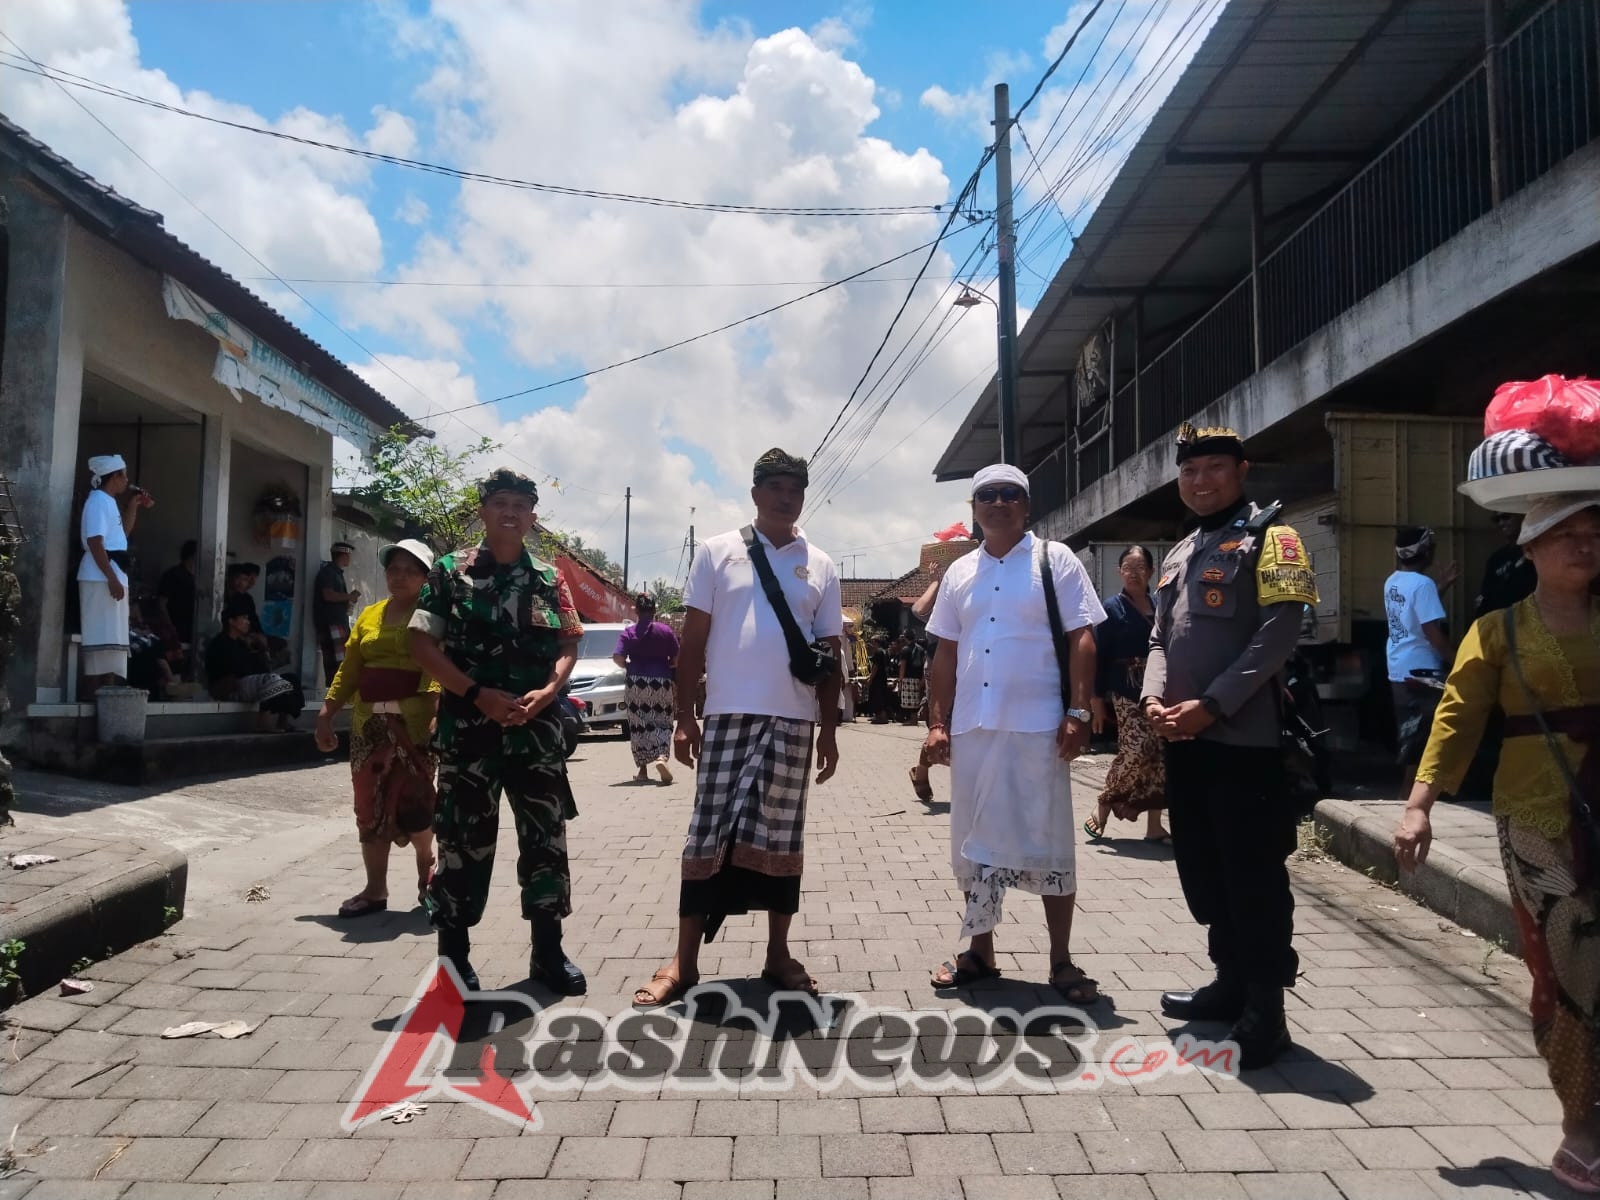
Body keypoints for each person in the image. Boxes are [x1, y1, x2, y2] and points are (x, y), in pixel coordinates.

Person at [1394, 496, 1600, 1192]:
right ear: (1532, 549)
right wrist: (1419, 807)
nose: (1584, 547)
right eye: (1567, 536)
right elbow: (1454, 721)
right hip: (1537, 821)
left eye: (1595, 535)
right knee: (1569, 971)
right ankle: (1582, 1125)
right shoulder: (1496, 629)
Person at [632, 448, 842, 1008]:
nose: (785, 495)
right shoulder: (717, 552)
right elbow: (693, 642)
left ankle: (777, 954)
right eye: (774, 485)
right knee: (707, 833)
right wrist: (683, 717)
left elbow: (830, 651)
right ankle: (684, 960)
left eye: (794, 487)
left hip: (795, 720)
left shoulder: (819, 563)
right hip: (726, 717)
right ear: (755, 493)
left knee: (781, 837)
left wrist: (831, 729)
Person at [1143, 423, 1319, 1069]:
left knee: (1252, 874)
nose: (1200, 481)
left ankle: (1266, 1010)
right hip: (1183, 738)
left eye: (1214, 467)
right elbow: (1160, 637)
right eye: (1190, 471)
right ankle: (1228, 984)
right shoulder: (1182, 549)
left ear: (1241, 471)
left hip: (1245, 740)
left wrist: (1212, 705)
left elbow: (1282, 628)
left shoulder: (1276, 538)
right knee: (1205, 867)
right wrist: (1154, 700)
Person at [923, 464, 1105, 1002]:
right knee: (973, 841)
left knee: (1049, 842)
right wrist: (937, 722)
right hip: (973, 727)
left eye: (1009, 495)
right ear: (973, 508)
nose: (997, 503)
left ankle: (1061, 960)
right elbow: (945, 653)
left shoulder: (1055, 560)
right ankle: (980, 952)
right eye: (986, 496)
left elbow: (1083, 638)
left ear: (1027, 506)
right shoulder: (959, 574)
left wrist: (1077, 712)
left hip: (1038, 726)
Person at [408, 469, 586, 995]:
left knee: (546, 842)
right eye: (500, 502)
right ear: (483, 511)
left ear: (533, 516)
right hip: (469, 733)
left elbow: (569, 644)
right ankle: (453, 959)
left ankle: (548, 954)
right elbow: (423, 646)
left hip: (536, 734)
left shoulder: (551, 579)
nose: (511, 512)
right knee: (462, 843)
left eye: (521, 505)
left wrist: (549, 692)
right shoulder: (448, 571)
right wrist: (474, 693)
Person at [316, 539, 441, 919]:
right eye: (393, 569)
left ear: (425, 578)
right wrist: (327, 711)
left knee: (415, 804)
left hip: (414, 727)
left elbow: (436, 667)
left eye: (409, 570)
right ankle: (375, 890)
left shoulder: (432, 616)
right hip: (368, 726)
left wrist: (435, 713)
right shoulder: (369, 616)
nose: (399, 576)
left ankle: (427, 868)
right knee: (367, 807)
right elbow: (350, 669)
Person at [1084, 546, 1170, 844]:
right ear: (1119, 572)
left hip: (1160, 689)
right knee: (1137, 749)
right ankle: (1106, 799)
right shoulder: (1111, 608)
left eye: (1140, 567)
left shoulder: (1162, 605)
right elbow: (1098, 656)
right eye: (1128, 568)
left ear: (1151, 571)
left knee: (1160, 753)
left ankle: (1155, 826)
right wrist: (1096, 699)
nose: (1134, 573)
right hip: (1125, 689)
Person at [1384, 526, 1458, 790]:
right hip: (1423, 672)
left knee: (1409, 733)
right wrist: (1459, 662)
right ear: (1424, 551)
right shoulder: (1422, 584)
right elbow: (1432, 633)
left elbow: (1412, 610)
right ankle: (1410, 797)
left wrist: (1442, 587)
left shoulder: (1393, 581)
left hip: (1399, 668)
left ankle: (1406, 796)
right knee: (1424, 738)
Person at [77, 454, 153, 696]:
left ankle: (105, 702)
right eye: (124, 475)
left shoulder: (109, 502)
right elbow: (95, 542)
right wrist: (111, 577)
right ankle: (90, 701)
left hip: (112, 575)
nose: (127, 480)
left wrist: (134, 505)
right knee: (100, 646)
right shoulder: (98, 501)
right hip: (100, 576)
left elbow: (122, 536)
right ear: (115, 476)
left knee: (111, 648)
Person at [205, 595, 305, 731]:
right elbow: (230, 671)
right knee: (271, 680)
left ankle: (283, 721)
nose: (248, 622)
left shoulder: (244, 643)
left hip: (251, 682)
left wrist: (262, 649)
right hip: (231, 686)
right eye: (244, 618)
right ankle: (263, 722)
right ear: (232, 622)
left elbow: (262, 668)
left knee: (291, 680)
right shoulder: (220, 643)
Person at [613, 593, 680, 784]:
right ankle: (661, 758)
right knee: (663, 720)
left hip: (636, 683)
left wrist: (630, 667)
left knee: (638, 724)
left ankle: (643, 770)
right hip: (661, 681)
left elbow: (618, 658)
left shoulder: (628, 633)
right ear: (654, 610)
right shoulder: (666, 631)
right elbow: (676, 660)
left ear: (636, 610)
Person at [908, 569, 946, 802]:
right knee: (940, 725)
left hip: (973, 665)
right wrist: (937, 581)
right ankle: (921, 770)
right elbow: (918, 609)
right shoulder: (937, 603)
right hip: (939, 665)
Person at [315, 542, 362, 688]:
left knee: (336, 661)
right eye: (348, 555)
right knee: (338, 663)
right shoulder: (329, 573)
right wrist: (348, 597)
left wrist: (348, 599)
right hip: (332, 623)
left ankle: (335, 693)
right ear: (343, 555)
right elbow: (327, 595)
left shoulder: (335, 573)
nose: (350, 559)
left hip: (336, 621)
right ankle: (337, 693)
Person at [1477, 512, 1539, 617]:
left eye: (1506, 517)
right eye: (1497, 520)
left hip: (1530, 620)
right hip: (1503, 624)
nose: (1501, 523)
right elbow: (1485, 597)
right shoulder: (1496, 559)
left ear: (1522, 517)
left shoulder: (1537, 551)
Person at [157, 539, 198, 647]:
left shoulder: (198, 578)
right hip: (176, 634)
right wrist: (170, 627)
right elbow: (162, 604)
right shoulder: (172, 575)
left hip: (193, 634)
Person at [897, 635, 927, 725]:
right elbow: (924, 665)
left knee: (909, 701)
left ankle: (913, 720)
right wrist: (923, 678)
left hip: (908, 678)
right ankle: (913, 719)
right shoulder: (921, 649)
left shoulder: (905, 650)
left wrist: (900, 681)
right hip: (918, 678)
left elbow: (903, 666)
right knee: (915, 700)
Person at [867, 635, 893, 722]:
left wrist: (870, 678)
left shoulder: (878, 652)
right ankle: (879, 715)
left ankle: (882, 716)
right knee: (882, 696)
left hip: (877, 678)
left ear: (876, 642)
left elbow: (876, 666)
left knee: (878, 697)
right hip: (883, 677)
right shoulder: (885, 652)